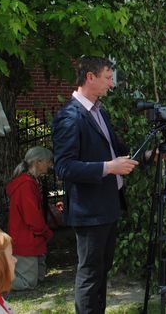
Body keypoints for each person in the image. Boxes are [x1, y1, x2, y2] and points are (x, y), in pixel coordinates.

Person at [52, 56, 139, 313]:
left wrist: (146, 156)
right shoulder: (70, 117)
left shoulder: (100, 111)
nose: (111, 84)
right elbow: (64, 167)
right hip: (89, 211)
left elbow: (116, 149)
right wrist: (109, 168)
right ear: (90, 77)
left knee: (102, 271)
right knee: (90, 275)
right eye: (108, 78)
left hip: (107, 205)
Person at [6, 146, 54, 291]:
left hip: (31, 236)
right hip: (26, 238)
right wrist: (45, 231)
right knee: (28, 282)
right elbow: (31, 216)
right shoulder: (26, 184)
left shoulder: (28, 182)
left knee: (38, 278)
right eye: (48, 161)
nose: (50, 165)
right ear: (38, 162)